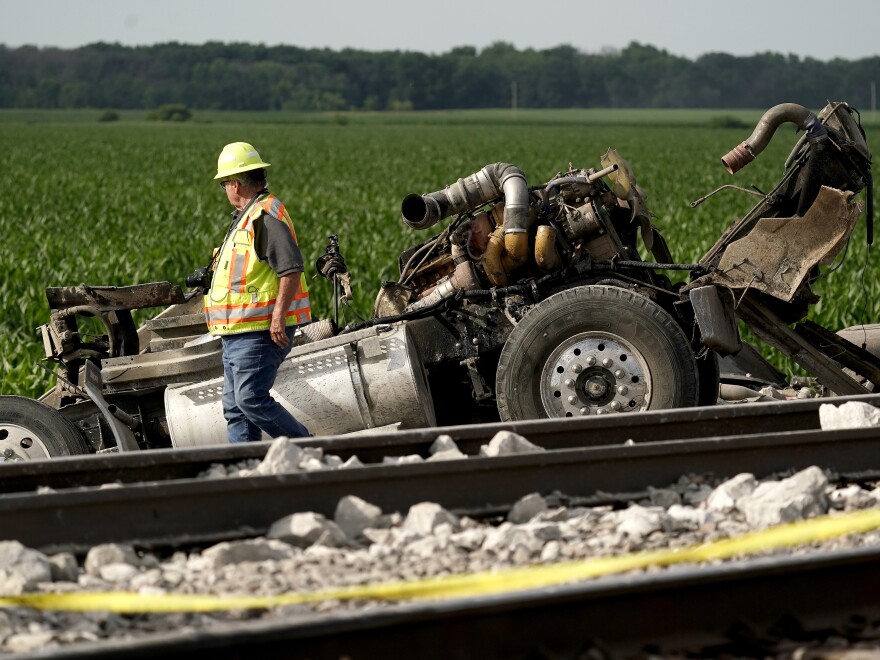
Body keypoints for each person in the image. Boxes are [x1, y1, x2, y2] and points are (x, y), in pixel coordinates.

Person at [202, 141, 312, 443]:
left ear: (236, 183)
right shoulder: (246, 217)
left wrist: (278, 317)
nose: (224, 189)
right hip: (238, 332)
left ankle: (311, 449)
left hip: (260, 331)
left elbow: (290, 268)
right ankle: (246, 473)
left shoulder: (265, 216)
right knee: (236, 407)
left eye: (224, 183)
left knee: (250, 398)